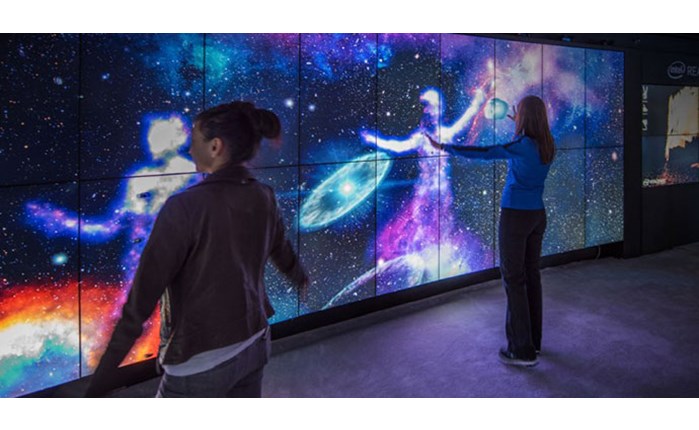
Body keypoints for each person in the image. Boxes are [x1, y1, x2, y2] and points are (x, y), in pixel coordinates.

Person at [85, 101, 309, 397]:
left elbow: (140, 303)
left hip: (201, 361)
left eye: (195, 141)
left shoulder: (184, 207)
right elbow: (282, 251)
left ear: (215, 147)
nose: (190, 150)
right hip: (255, 341)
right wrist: (300, 278)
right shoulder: (263, 194)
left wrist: (100, 381)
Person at [426, 95, 555, 367]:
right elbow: (525, 149)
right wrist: (520, 124)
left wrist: (444, 147)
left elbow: (486, 153)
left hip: (516, 217)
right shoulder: (546, 143)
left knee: (514, 280)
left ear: (525, 118)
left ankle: (521, 350)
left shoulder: (522, 145)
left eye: (519, 113)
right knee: (531, 277)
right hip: (536, 215)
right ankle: (533, 343)